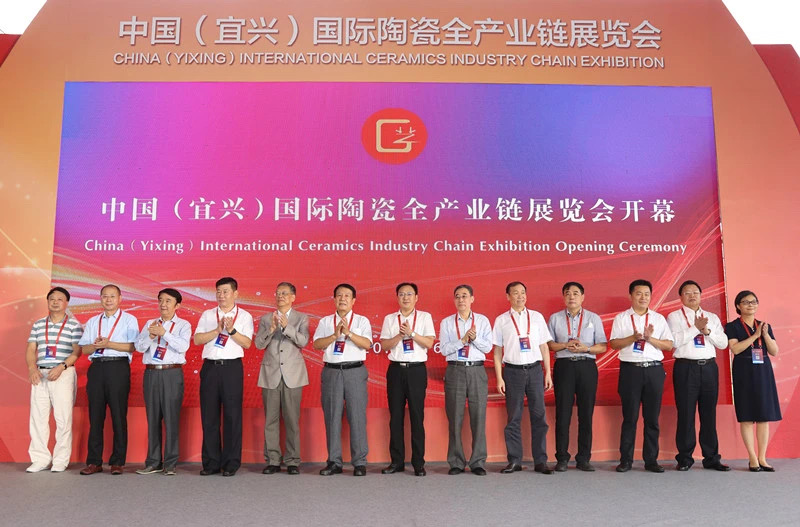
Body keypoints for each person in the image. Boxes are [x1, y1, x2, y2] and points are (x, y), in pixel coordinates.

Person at [609, 279, 674, 473]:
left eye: (647, 294)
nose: (643, 297)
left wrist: (649, 338)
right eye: (638, 293)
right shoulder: (621, 318)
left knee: (652, 418)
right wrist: (633, 338)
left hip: (654, 370)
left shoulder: (658, 319)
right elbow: (614, 344)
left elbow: (669, 345)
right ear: (631, 295)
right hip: (631, 370)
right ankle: (626, 460)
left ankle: (651, 460)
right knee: (630, 417)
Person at [666, 280, 731, 471]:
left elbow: (723, 343)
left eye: (695, 292)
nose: (692, 295)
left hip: (709, 368)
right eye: (687, 293)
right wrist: (695, 328)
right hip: (686, 368)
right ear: (681, 297)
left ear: (701, 296)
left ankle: (711, 458)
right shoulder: (674, 316)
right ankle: (685, 458)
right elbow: (674, 341)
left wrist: (707, 331)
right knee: (686, 414)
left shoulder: (712, 317)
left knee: (708, 414)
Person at [193, 277, 253, 477]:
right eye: (218, 291)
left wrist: (231, 330)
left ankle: (230, 463)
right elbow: (197, 339)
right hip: (210, 368)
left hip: (231, 369)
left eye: (225, 291)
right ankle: (211, 463)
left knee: (232, 417)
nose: (221, 295)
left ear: (235, 293)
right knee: (209, 416)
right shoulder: (208, 314)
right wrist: (217, 330)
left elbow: (246, 343)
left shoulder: (244, 316)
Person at [492, 281, 554, 475]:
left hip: (535, 371)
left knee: (539, 417)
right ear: (508, 297)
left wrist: (547, 372)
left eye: (523, 293)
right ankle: (514, 460)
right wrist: (499, 377)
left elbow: (544, 346)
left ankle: (541, 461)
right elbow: (497, 351)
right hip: (512, 372)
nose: (520, 296)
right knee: (514, 417)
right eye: (515, 293)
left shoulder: (536, 317)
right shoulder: (501, 320)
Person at [312, 283, 373, 476]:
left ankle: (359, 462)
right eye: (339, 295)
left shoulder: (362, 321)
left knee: (357, 416)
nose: (343, 299)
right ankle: (334, 462)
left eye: (347, 296)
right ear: (334, 299)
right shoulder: (325, 322)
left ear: (353, 300)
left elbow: (367, 344)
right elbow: (317, 344)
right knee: (332, 417)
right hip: (332, 372)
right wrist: (334, 335)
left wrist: (349, 333)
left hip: (355, 371)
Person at [78, 284, 139, 475]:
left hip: (118, 367)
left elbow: (132, 347)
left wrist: (108, 343)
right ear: (100, 299)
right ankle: (94, 462)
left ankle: (117, 462)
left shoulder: (129, 319)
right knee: (95, 416)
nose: (108, 299)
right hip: (97, 367)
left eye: (112, 296)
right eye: (105, 296)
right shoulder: (93, 321)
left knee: (118, 415)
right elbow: (84, 349)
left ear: (120, 299)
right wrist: (96, 346)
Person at [547, 281, 607, 472]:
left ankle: (584, 458)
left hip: (586, 366)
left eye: (575, 293)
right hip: (564, 366)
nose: (571, 296)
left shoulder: (593, 318)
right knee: (562, 413)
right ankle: (562, 458)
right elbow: (549, 344)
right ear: (563, 297)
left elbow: (602, 346)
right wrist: (565, 345)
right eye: (567, 293)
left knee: (586, 414)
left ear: (583, 297)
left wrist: (586, 348)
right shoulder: (555, 318)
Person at [380, 282, 436, 476]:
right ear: (397, 297)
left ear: (416, 297)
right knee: (395, 417)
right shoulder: (389, 319)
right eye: (402, 294)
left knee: (416, 417)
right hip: (396, 370)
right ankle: (396, 462)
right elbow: (385, 345)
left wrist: (411, 333)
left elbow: (429, 343)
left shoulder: (425, 317)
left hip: (416, 371)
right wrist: (399, 335)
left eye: (409, 294)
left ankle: (418, 463)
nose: (405, 297)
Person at [25, 286, 83, 473]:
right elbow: (31, 349)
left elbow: (77, 351)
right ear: (48, 302)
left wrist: (61, 367)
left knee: (63, 418)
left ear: (66, 303)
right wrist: (32, 368)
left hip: (63, 374)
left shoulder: (74, 325)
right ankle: (40, 459)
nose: (55, 302)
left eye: (60, 299)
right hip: (40, 374)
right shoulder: (38, 324)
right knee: (38, 418)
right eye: (52, 299)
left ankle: (60, 460)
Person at [437, 285, 493, 476]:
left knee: (479, 417)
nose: (461, 300)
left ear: (472, 299)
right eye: (457, 296)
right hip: (455, 370)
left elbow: (488, 348)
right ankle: (456, 462)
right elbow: (444, 349)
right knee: (454, 418)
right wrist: (462, 341)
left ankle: (478, 461)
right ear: (454, 300)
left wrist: (474, 338)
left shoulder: (482, 321)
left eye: (464, 296)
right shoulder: (447, 323)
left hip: (477, 370)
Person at [134, 288, 191, 476]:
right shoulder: (150, 324)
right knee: (153, 418)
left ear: (177, 305)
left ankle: (171, 462)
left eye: (168, 301)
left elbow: (183, 346)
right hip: (151, 373)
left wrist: (164, 333)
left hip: (171, 373)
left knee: (171, 417)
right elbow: (139, 347)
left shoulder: (183, 325)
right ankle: (153, 462)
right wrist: (151, 336)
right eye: (160, 300)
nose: (163, 304)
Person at [255, 282, 310, 475]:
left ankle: (293, 460)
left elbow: (303, 341)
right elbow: (258, 344)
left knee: (292, 420)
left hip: (293, 375)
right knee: (270, 420)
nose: (280, 296)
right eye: (278, 293)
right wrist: (271, 329)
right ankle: (273, 460)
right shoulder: (266, 318)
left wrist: (287, 327)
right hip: (270, 374)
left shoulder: (301, 318)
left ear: (293, 297)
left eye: (285, 293)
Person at [724, 290, 781, 472]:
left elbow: (774, 351)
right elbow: (736, 349)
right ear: (738, 306)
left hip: (763, 371)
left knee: (764, 416)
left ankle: (763, 457)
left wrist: (764, 335)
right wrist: (755, 336)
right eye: (746, 302)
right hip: (744, 371)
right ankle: (752, 457)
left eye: (754, 302)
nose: (751, 305)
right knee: (747, 416)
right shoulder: (732, 326)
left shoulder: (765, 326)